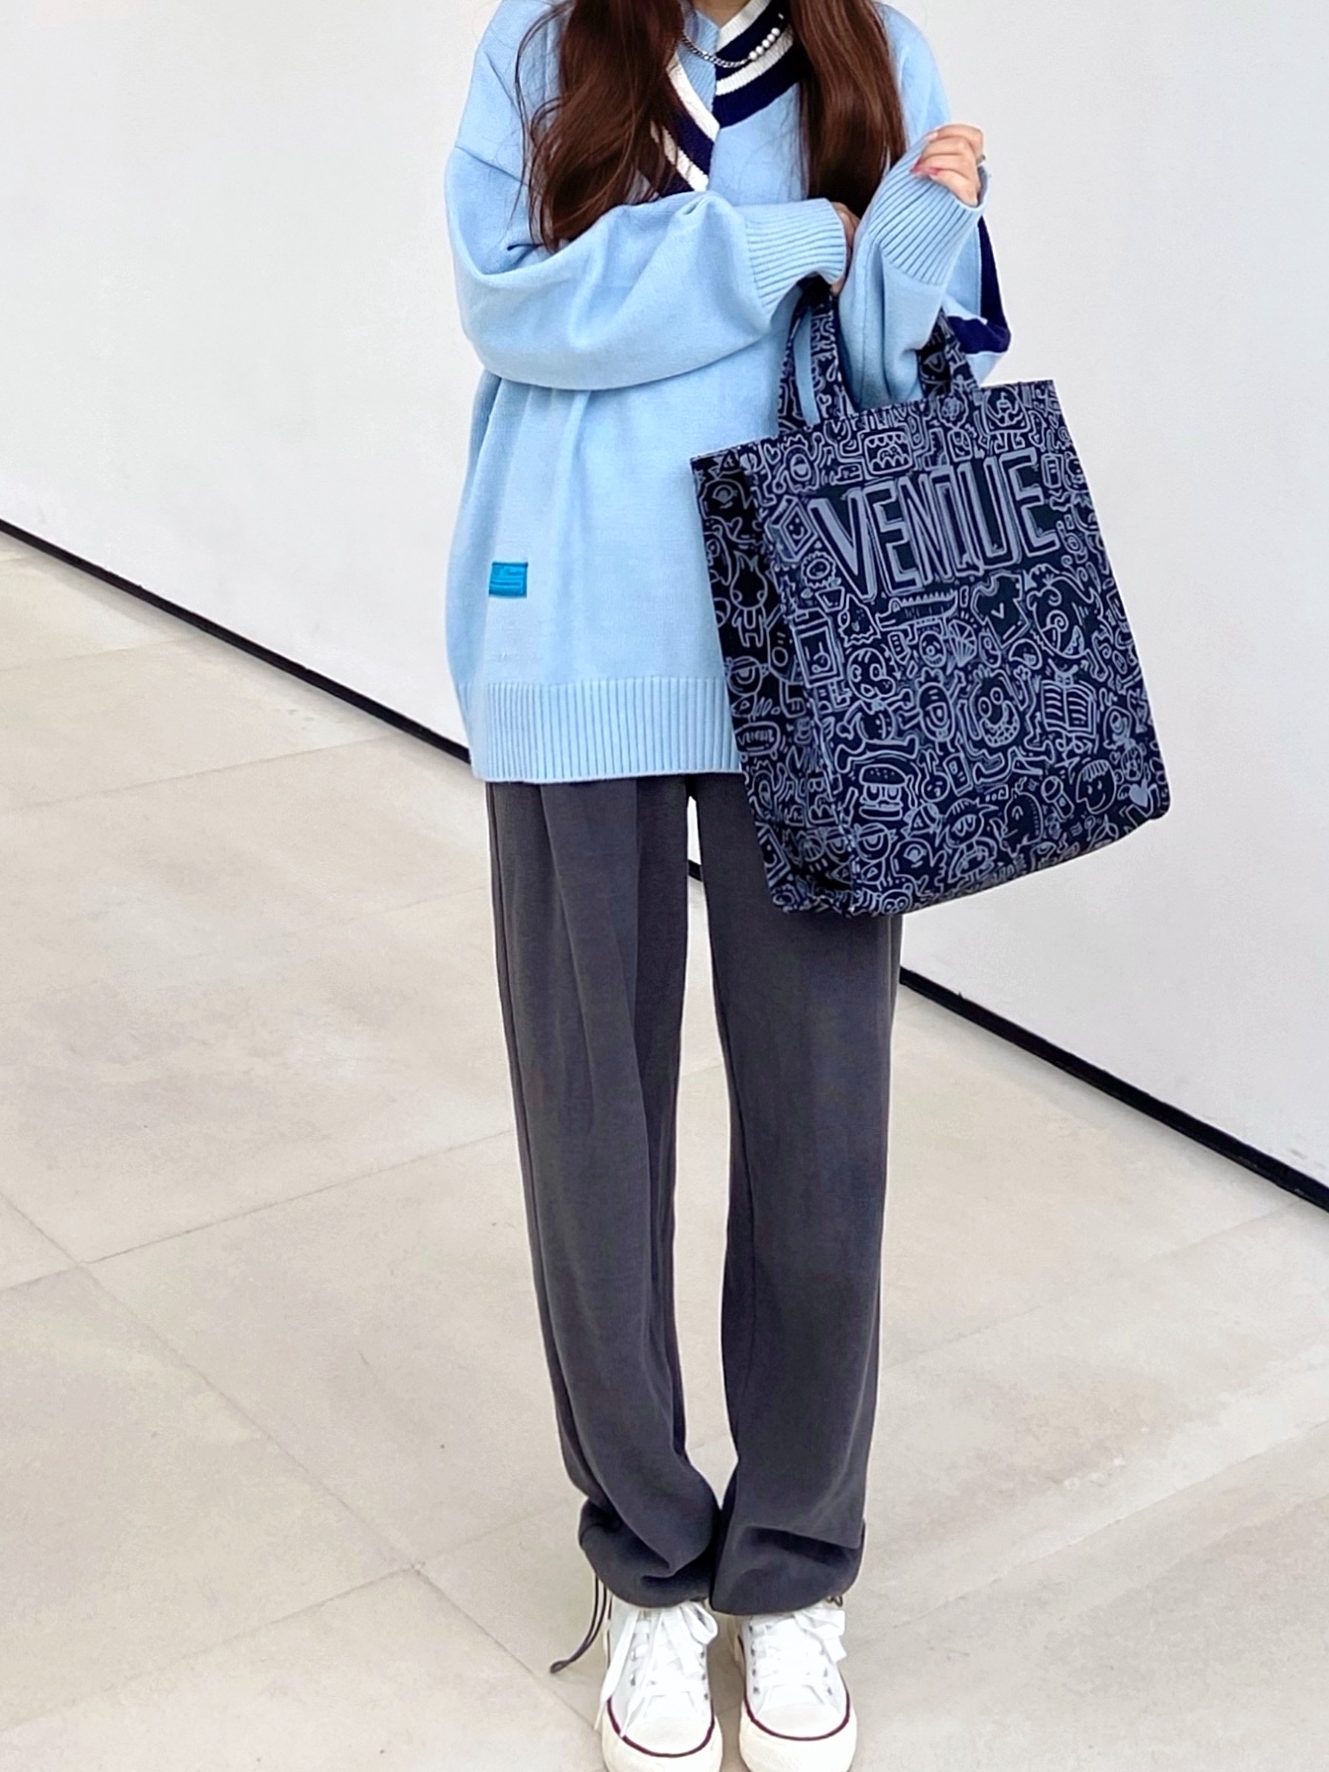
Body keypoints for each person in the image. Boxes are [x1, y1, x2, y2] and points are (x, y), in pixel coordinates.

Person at [445, 0, 1008, 1765]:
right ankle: (647, 1567)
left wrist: (913, 251)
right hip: (575, 636)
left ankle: (794, 1569)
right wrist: (775, 245)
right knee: (591, 1138)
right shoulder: (543, 40)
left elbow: (901, 377)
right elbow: (509, 304)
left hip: (818, 661)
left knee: (824, 1140)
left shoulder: (875, 47)